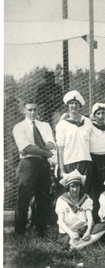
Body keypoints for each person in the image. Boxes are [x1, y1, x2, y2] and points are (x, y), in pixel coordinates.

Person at [13, 99, 56, 236]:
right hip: (27, 165)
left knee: (42, 198)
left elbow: (51, 144)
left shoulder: (45, 125)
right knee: (23, 198)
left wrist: (36, 148)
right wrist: (45, 152)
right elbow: (25, 148)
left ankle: (40, 230)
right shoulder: (19, 127)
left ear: (39, 110)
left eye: (35, 109)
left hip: (43, 164)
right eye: (29, 109)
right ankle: (20, 232)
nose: (32, 112)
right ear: (24, 110)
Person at [56, 170, 105, 250]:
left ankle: (81, 245)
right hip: (69, 231)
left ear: (80, 186)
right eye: (72, 186)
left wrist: (88, 231)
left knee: (103, 226)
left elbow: (89, 217)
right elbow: (60, 221)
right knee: (68, 240)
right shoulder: (61, 200)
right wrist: (71, 233)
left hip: (83, 229)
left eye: (77, 186)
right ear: (68, 187)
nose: (75, 189)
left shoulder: (85, 198)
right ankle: (82, 243)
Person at [56, 90, 93, 194]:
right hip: (69, 163)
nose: (74, 106)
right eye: (71, 103)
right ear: (67, 105)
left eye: (76, 103)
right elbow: (60, 149)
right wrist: (62, 169)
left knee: (85, 193)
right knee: (71, 193)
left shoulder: (87, 122)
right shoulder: (62, 125)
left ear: (80, 105)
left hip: (85, 162)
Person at [89, 103, 105, 221]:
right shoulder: (90, 126)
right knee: (95, 189)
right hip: (94, 159)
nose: (100, 116)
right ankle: (95, 217)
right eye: (98, 113)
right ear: (94, 115)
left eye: (103, 113)